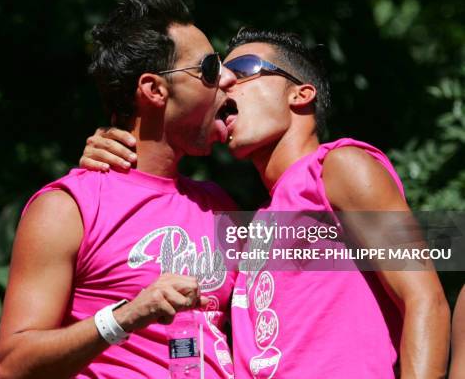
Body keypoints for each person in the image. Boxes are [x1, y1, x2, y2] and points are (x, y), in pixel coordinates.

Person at [80, 29, 451, 377]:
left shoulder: (339, 167)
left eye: (242, 71)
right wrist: (119, 149)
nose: (225, 83)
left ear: (300, 94)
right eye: (219, 73)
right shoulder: (244, 223)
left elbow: (425, 299)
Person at [0, 0, 239, 379]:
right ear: (155, 90)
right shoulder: (68, 207)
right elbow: (12, 364)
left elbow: (339, 255)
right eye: (209, 69)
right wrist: (126, 316)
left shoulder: (221, 205)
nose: (227, 78)